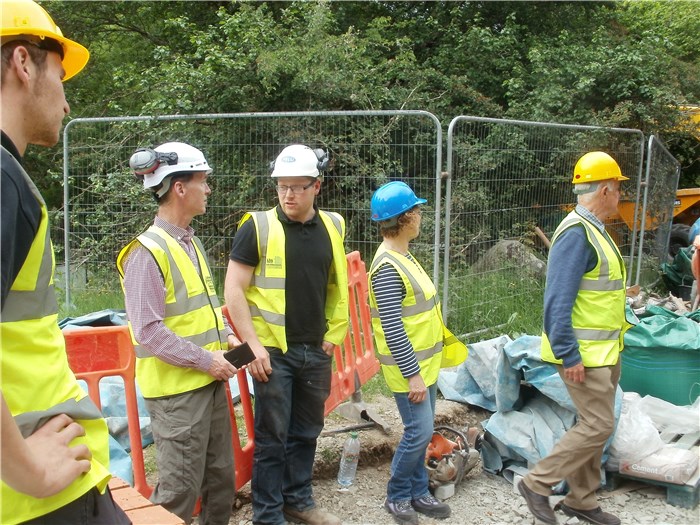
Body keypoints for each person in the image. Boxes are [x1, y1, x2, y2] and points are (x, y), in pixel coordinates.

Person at [0, 1, 131, 523]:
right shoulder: (3, 180)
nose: (67, 103)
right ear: (24, 63)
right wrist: (29, 469)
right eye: (61, 75)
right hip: (37, 497)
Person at [224, 144, 348, 525]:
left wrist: (333, 334)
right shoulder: (257, 227)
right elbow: (233, 289)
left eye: (297, 186)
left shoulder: (334, 225)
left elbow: (335, 284)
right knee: (272, 437)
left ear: (317, 186)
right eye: (282, 186)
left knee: (307, 431)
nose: (289, 194)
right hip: (272, 353)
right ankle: (267, 513)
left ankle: (298, 500)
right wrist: (253, 346)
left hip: (315, 349)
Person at [117, 142, 237, 525]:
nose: (209, 189)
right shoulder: (146, 253)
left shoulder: (190, 242)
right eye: (203, 181)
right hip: (177, 396)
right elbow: (149, 331)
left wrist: (228, 337)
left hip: (209, 382)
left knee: (220, 480)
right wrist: (208, 360)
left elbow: (204, 307)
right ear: (179, 188)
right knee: (178, 493)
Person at [517, 151, 632, 525]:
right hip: (584, 354)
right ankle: (537, 483)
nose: (620, 196)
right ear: (604, 189)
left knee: (592, 424)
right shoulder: (578, 234)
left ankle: (581, 500)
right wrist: (569, 354)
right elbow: (557, 301)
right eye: (618, 189)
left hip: (603, 352)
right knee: (598, 425)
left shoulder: (594, 230)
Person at [368, 181, 466, 525]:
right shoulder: (387, 268)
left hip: (425, 366)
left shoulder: (403, 255)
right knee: (418, 433)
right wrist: (413, 375)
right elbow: (393, 329)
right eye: (418, 210)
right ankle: (397, 496)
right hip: (410, 371)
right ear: (405, 218)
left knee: (421, 431)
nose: (421, 216)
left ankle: (418, 491)